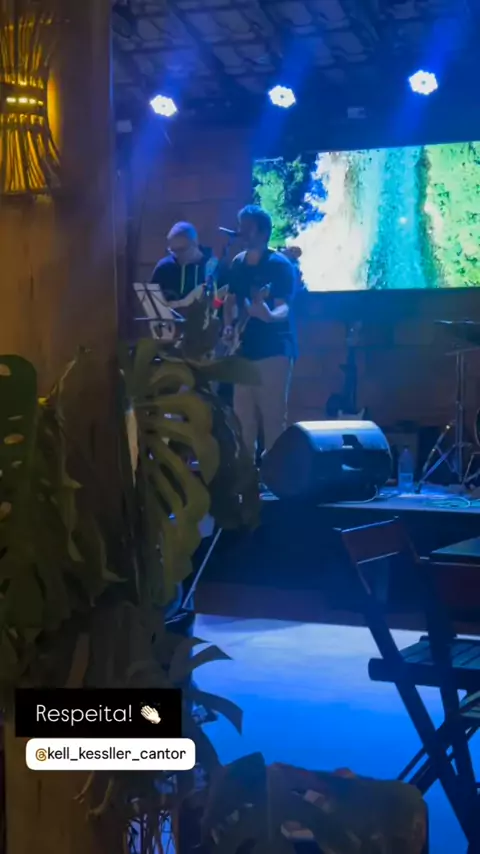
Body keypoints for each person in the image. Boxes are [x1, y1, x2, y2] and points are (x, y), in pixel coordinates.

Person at [222, 205, 297, 460]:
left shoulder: (279, 266)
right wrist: (228, 326)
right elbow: (231, 301)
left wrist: (268, 316)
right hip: (243, 350)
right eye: (240, 225)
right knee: (242, 420)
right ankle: (246, 476)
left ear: (264, 232)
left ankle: (275, 476)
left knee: (273, 419)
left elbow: (284, 307)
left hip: (274, 350)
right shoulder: (238, 263)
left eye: (248, 227)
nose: (242, 231)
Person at [150, 221, 213, 301]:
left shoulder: (213, 268)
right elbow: (152, 304)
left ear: (195, 243)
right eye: (173, 250)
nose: (177, 255)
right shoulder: (163, 268)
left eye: (181, 250)